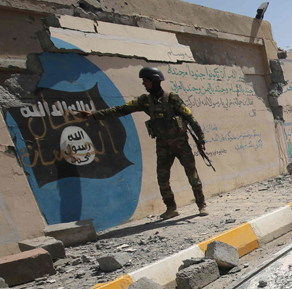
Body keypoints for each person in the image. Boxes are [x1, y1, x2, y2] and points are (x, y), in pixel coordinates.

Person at [77, 67, 208, 219]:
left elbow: (190, 117)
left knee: (192, 175)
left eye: (145, 81)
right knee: (162, 178)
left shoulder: (172, 98)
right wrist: (94, 115)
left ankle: (201, 205)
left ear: (154, 81)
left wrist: (201, 139)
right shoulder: (144, 101)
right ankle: (171, 208)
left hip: (181, 144)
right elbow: (122, 109)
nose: (144, 84)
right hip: (163, 146)